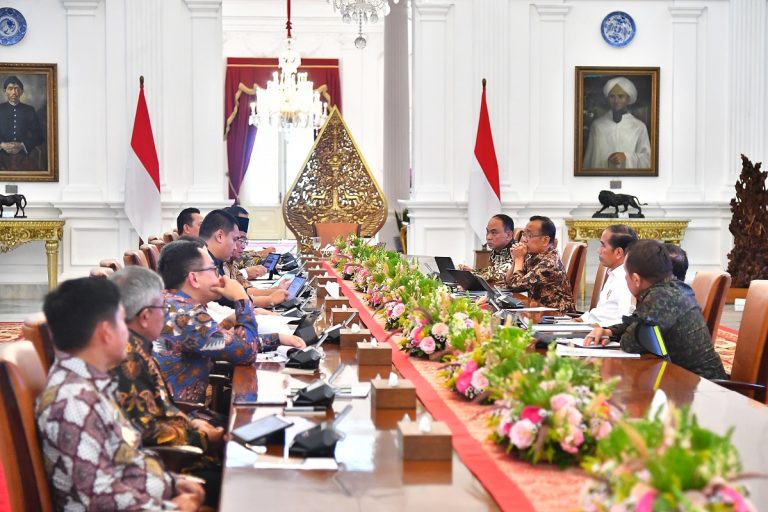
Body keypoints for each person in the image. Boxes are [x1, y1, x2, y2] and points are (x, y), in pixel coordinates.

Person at [37, 277, 205, 511]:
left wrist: (173, 483)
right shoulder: (74, 401)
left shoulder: (94, 382)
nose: (127, 331)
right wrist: (174, 508)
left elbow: (124, 458)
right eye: (121, 321)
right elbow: (99, 498)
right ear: (106, 332)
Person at [155, 240, 305, 403]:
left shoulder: (172, 303)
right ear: (194, 278)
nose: (220, 277)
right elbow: (246, 352)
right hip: (186, 419)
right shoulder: (187, 315)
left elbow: (222, 342)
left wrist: (277, 339)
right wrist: (241, 297)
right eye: (213, 270)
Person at [584, 239, 727, 380]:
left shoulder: (662, 298)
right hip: (684, 381)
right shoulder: (668, 288)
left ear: (636, 279)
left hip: (704, 388)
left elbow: (630, 342)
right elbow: (635, 323)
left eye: (626, 274)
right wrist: (609, 331)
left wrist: (624, 332)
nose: (625, 279)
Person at [504, 216, 575, 312]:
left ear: (545, 240)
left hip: (557, 317)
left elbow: (516, 287)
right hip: (540, 313)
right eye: (524, 234)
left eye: (529, 235)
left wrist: (519, 259)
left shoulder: (549, 263)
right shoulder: (532, 256)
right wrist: (515, 260)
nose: (524, 240)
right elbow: (509, 283)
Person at [583, 76, 651, 169]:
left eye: (621, 96)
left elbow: (647, 159)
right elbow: (589, 160)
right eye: (612, 96)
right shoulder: (597, 125)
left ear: (628, 98)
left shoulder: (639, 127)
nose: (616, 101)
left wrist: (626, 157)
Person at [577, 224, 637, 326]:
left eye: (603, 245)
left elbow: (624, 321)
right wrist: (581, 319)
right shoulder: (614, 273)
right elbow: (603, 311)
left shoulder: (626, 280)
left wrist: (597, 327)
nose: (598, 250)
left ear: (618, 252)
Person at [0, 76, 45, 171]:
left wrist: (22, 145)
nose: (13, 92)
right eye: (10, 89)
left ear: (21, 92)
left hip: (24, 156)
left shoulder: (29, 110)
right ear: (5, 92)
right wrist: (2, 145)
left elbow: (39, 136)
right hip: (1, 156)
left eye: (16, 89)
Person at [458, 214, 515, 286]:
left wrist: (473, 273)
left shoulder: (515, 251)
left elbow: (500, 275)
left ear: (509, 235)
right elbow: (492, 271)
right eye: (488, 232)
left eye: (494, 233)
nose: (488, 237)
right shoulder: (497, 250)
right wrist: (471, 272)